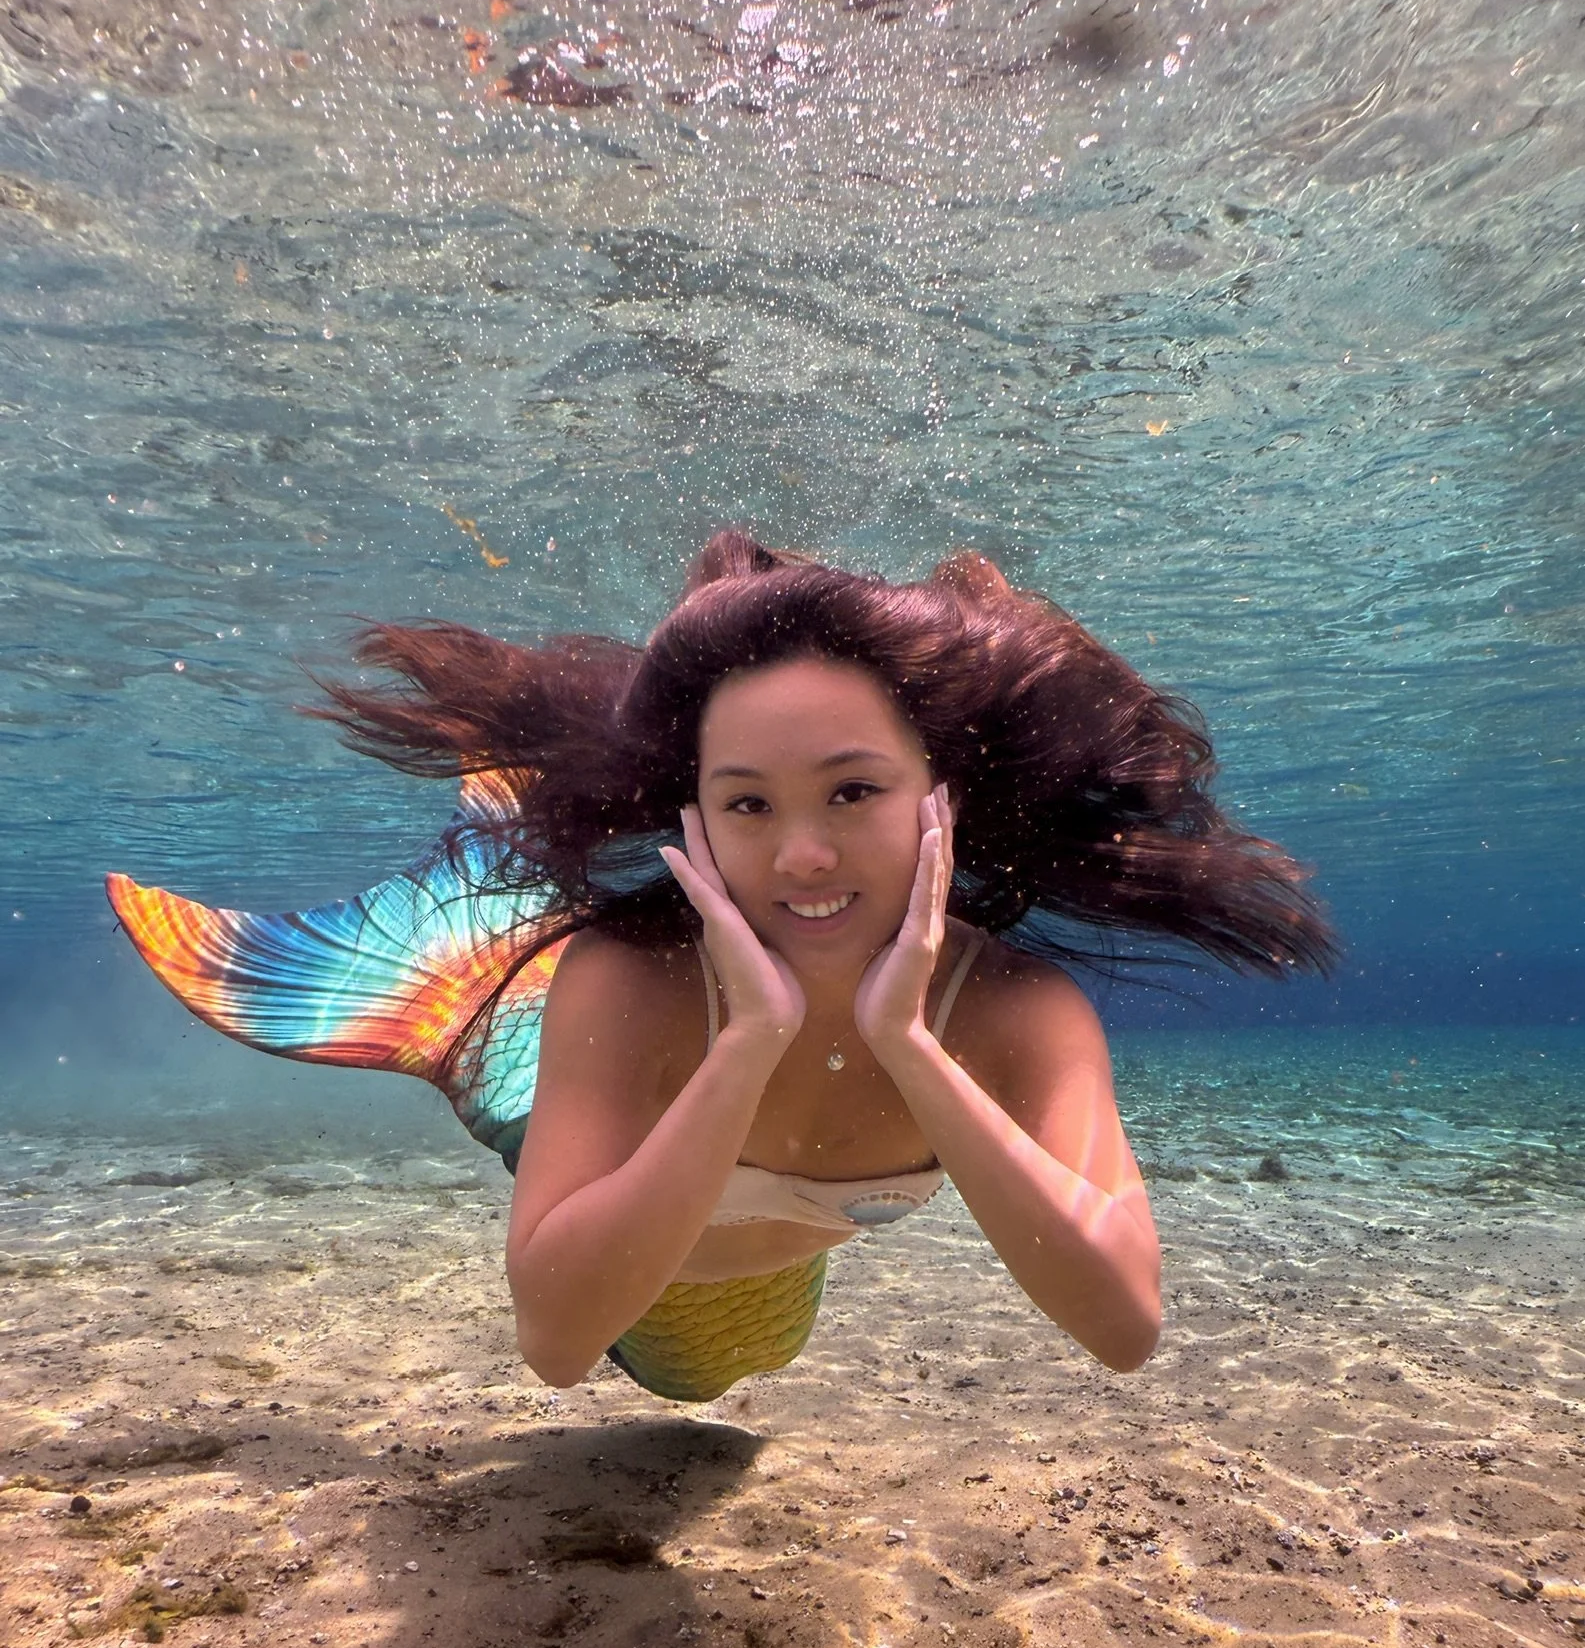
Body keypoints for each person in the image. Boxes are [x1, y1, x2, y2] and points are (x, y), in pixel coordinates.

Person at [107, 531, 1336, 1403]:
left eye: (853, 788)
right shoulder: (630, 981)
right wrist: (743, 1042)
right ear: (690, 812)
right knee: (658, 1324)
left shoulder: (1015, 1014)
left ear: (940, 797)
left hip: (762, 1302)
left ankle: (492, 941)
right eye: (745, 802)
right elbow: (556, 1342)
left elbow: (1123, 1324)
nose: (802, 853)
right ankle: (474, 994)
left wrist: (910, 1041)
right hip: (625, 1263)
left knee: (737, 1372)